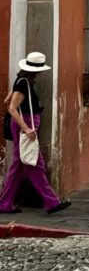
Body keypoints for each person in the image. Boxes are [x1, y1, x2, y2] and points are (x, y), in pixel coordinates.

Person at [0, 51, 71, 215]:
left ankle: (4, 204)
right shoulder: (24, 83)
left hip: (25, 123)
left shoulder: (21, 81)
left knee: (19, 165)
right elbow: (11, 108)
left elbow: (7, 101)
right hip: (26, 124)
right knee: (35, 164)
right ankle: (51, 202)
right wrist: (26, 128)